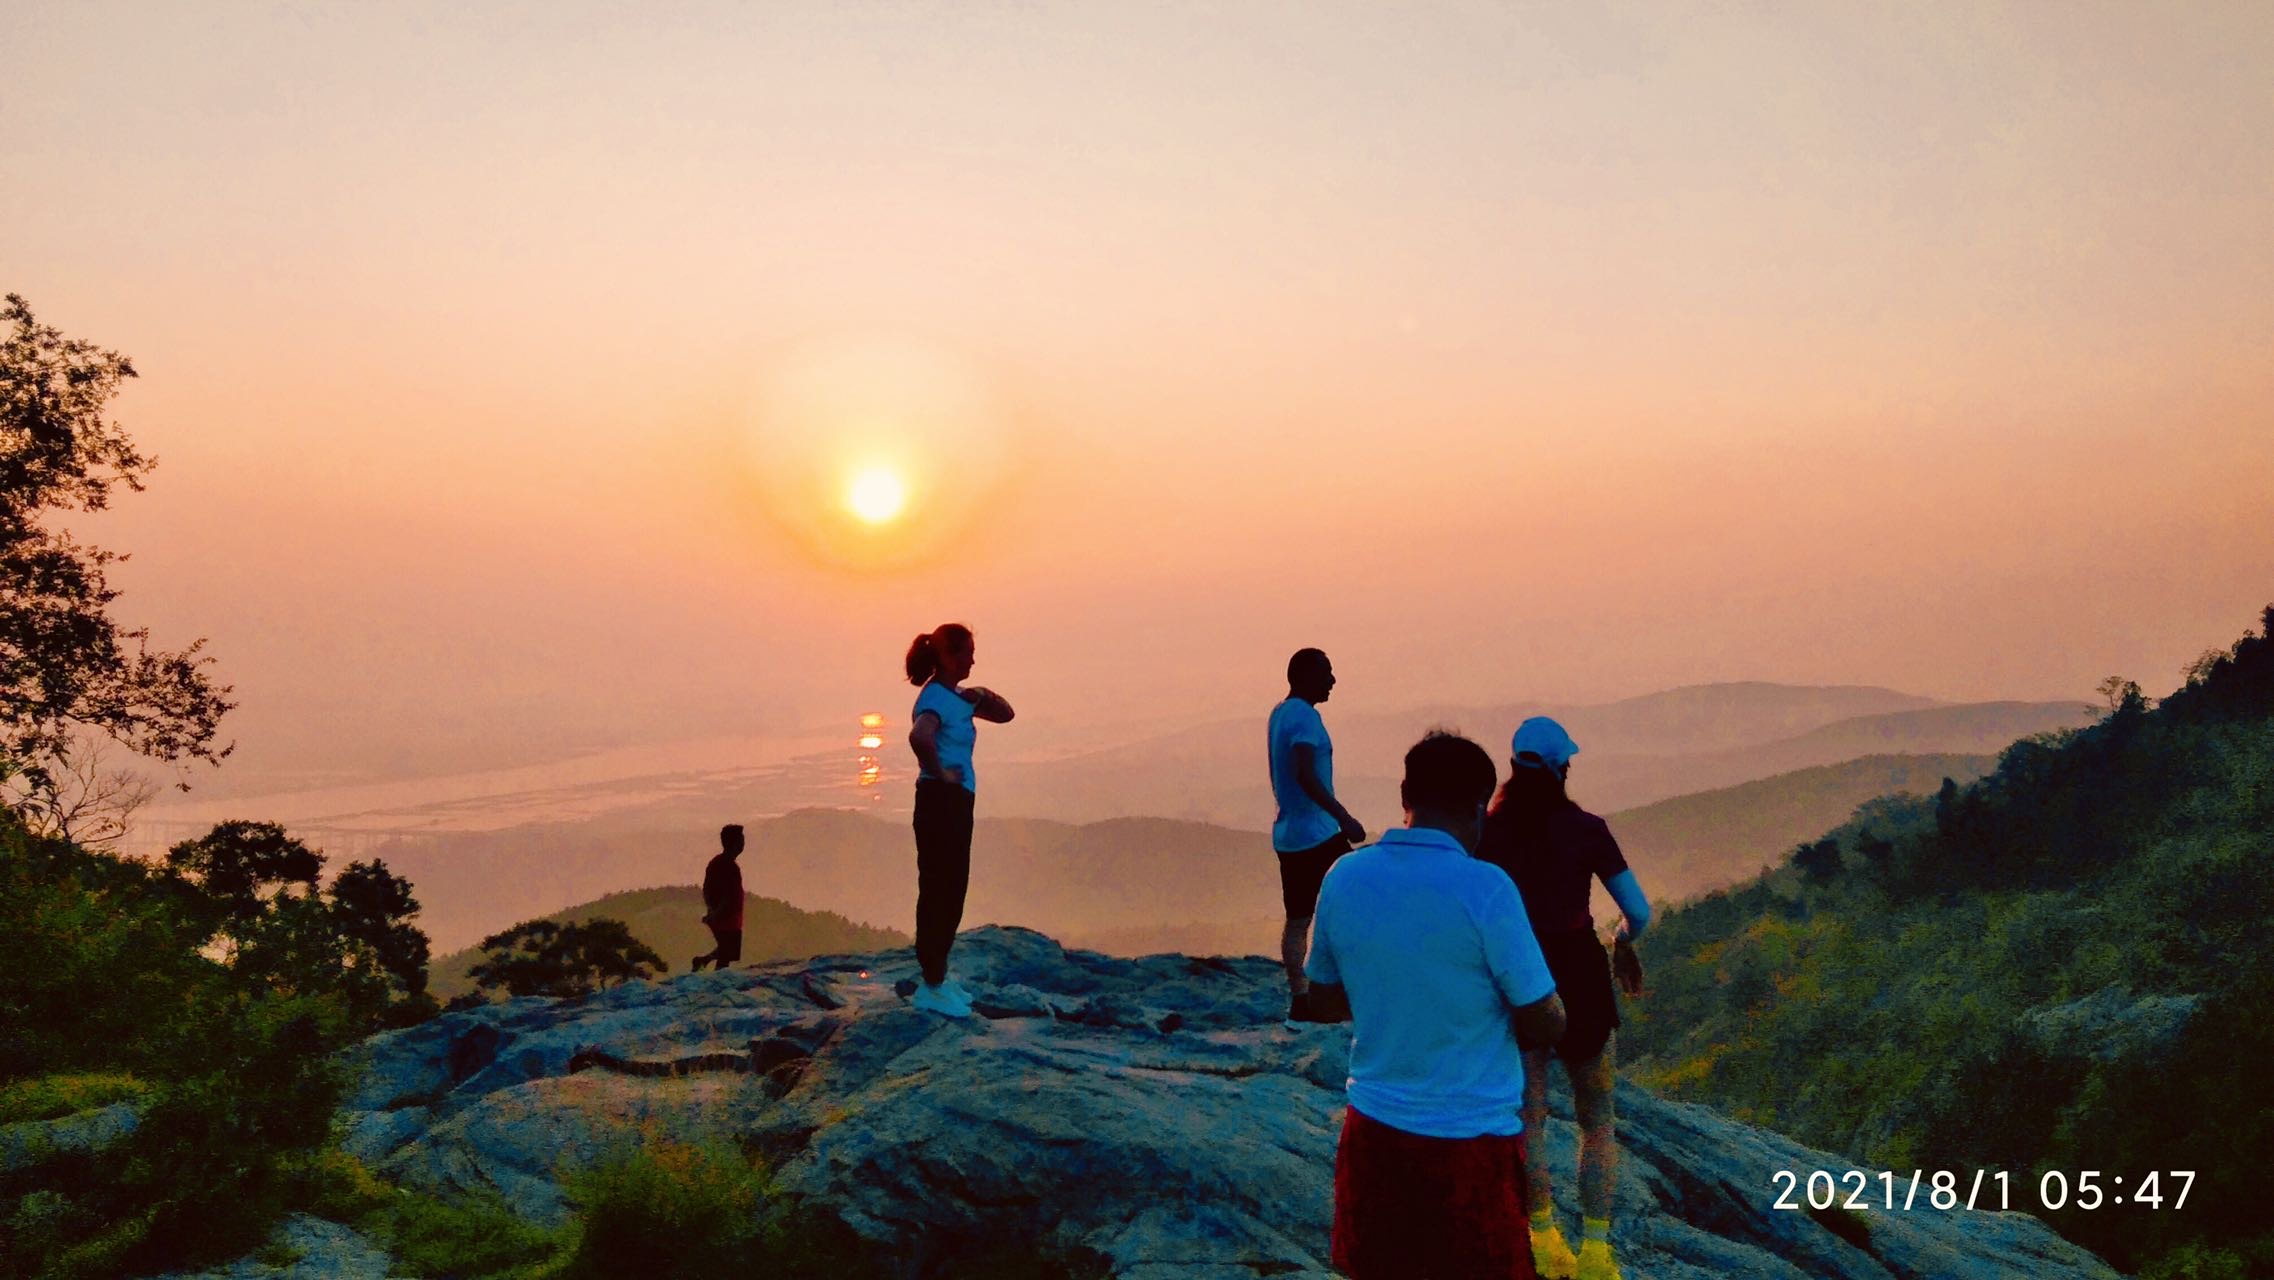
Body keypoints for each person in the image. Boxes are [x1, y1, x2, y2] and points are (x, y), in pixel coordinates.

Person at [1306, 730, 1567, 1280]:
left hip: (1374, 1133)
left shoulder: (1344, 876)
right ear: (1480, 807)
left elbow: (1324, 999)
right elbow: (1545, 1018)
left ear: (1405, 793)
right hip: (1471, 1143)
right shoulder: (1485, 888)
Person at [1473, 716, 1652, 1280]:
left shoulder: (1488, 831)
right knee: (1596, 1119)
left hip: (1517, 975)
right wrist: (1622, 942)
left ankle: (1543, 1239)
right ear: (1560, 767)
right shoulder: (1587, 828)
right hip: (1579, 971)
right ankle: (1597, 1252)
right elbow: (1639, 912)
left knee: (1531, 1117)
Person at [904, 622, 1014, 1018]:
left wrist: (980, 694)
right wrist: (939, 771)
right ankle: (931, 986)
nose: (972, 659)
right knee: (940, 889)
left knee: (951, 889)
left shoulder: (956, 697)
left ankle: (938, 977)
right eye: (966, 652)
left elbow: (1006, 715)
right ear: (947, 657)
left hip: (951, 800)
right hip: (940, 800)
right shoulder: (934, 697)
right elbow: (920, 736)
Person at [1266, 648, 1366, 1026]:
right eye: (1326, 673)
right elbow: (1306, 773)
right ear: (1306, 676)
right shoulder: (1306, 719)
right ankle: (1337, 994)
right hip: (1317, 833)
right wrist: (1343, 817)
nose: (1333, 681)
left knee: (1298, 919)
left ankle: (1300, 997)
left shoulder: (1281, 713)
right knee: (1348, 906)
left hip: (1289, 833)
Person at [690, 824, 746, 972]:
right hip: (727, 917)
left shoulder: (717, 863)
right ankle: (708, 966)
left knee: (727, 951)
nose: (743, 843)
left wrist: (711, 909)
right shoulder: (729, 866)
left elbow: (706, 888)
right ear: (735, 843)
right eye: (741, 839)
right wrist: (716, 912)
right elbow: (729, 894)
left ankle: (703, 961)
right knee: (728, 952)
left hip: (724, 915)